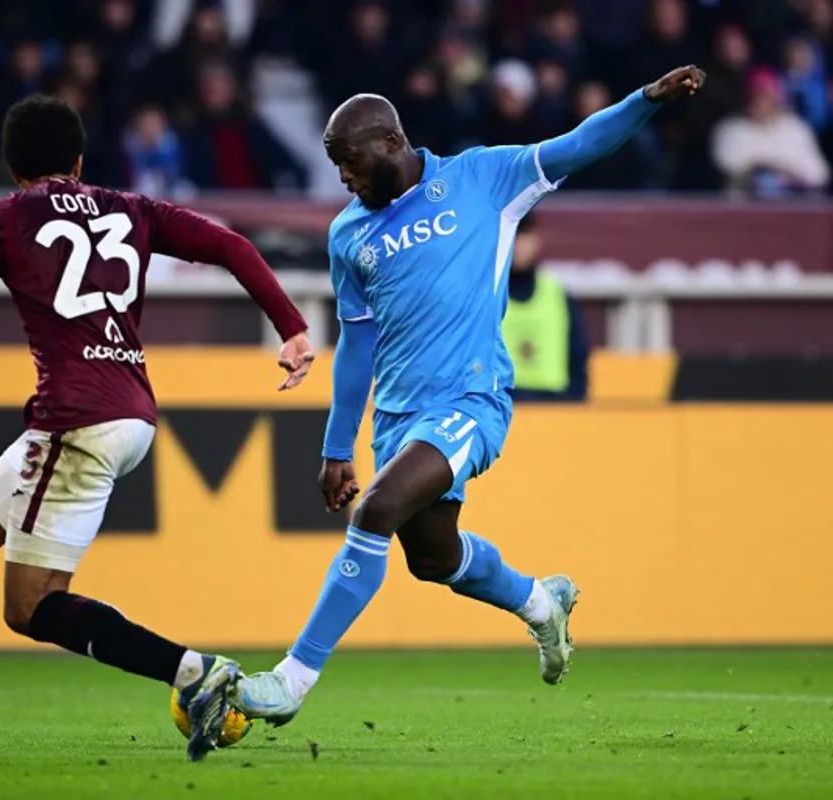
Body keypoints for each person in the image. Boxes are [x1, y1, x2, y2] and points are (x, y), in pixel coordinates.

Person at [0, 94, 316, 762]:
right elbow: (229, 244)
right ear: (78, 159)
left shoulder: (7, 215)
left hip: (75, 420)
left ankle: (195, 670)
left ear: (13, 167)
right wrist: (294, 327)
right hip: (128, 409)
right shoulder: (132, 210)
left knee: (31, 608)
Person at [231, 66, 707, 726]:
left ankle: (290, 682)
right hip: (397, 420)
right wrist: (337, 446)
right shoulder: (348, 234)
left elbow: (578, 144)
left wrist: (644, 101)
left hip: (469, 401)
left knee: (376, 512)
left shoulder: (485, 179)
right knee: (433, 559)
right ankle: (541, 603)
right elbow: (358, 344)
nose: (343, 177)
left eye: (349, 161)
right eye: (336, 166)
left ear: (391, 141)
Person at [503, 213, 590, 402]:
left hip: (555, 407)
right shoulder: (486, 295)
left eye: (525, 234)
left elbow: (578, 359)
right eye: (514, 235)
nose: (519, 244)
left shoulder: (557, 294)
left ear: (537, 239)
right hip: (503, 405)